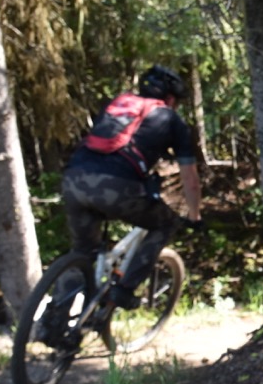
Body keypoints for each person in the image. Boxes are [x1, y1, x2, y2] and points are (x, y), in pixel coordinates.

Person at [61, 64, 203, 309]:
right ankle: (124, 290)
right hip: (116, 186)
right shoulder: (172, 119)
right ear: (170, 98)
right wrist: (195, 216)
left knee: (82, 253)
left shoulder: (117, 106)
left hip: (74, 179)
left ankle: (52, 325)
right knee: (166, 222)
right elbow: (189, 178)